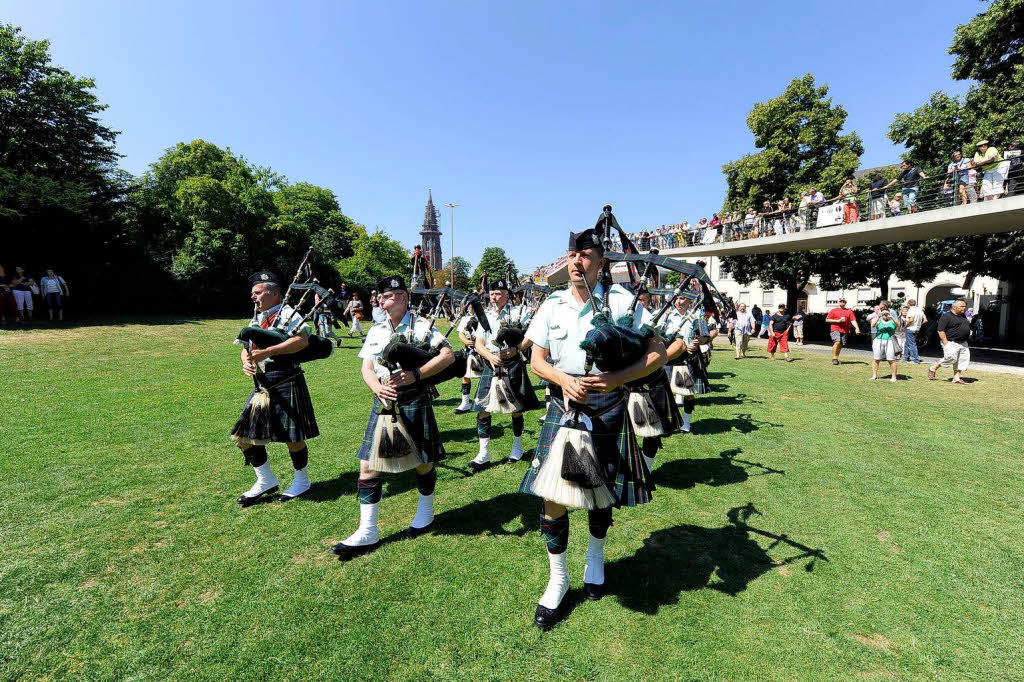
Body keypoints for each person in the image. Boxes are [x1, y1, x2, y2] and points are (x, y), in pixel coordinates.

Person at [519, 227, 666, 629]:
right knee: (553, 495)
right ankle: (558, 578)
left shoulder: (622, 301)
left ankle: (595, 559)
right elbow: (536, 360)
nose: (576, 261)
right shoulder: (553, 303)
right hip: (562, 403)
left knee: (601, 492)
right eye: (572, 255)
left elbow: (661, 350)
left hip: (608, 404)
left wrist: (621, 378)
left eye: (585, 255)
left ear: (602, 263)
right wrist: (562, 380)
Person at [333, 275, 455, 559]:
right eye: (380, 296)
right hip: (384, 402)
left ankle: (425, 513)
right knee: (367, 465)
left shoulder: (422, 327)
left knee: (423, 462)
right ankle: (368, 530)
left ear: (401, 297)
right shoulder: (376, 330)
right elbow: (367, 367)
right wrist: (376, 386)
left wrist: (416, 375)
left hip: (413, 399)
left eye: (386, 296)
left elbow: (448, 355)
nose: (380, 301)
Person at [231, 271, 320, 507]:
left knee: (293, 437)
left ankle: (302, 480)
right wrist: (246, 361)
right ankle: (265, 480)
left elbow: (301, 341)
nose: (254, 297)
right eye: (252, 293)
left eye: (258, 292)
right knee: (243, 437)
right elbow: (246, 346)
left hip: (285, 378)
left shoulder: (289, 313)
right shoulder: (257, 318)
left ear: (275, 293)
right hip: (262, 383)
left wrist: (268, 352)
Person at [468, 278, 540, 472]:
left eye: (498, 293)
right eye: (492, 293)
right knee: (482, 408)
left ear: (507, 295)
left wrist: (516, 349)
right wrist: (489, 356)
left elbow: (531, 337)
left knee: (516, 408)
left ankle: (517, 447)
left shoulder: (519, 312)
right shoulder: (485, 316)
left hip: (513, 363)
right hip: (491, 365)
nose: (494, 296)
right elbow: (479, 344)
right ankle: (484, 454)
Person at [928, 299, 971, 384]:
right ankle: (934, 367)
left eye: (965, 306)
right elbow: (940, 330)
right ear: (954, 307)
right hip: (951, 342)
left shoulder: (963, 316)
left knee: (962, 361)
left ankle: (956, 378)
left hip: (963, 343)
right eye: (962, 306)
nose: (964, 308)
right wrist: (945, 343)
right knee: (950, 358)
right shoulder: (946, 316)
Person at [825, 297, 861, 365]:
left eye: (843, 301)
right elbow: (827, 320)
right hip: (835, 328)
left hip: (845, 330)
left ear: (845, 303)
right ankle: (834, 358)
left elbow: (853, 320)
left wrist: (857, 328)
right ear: (839, 302)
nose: (842, 302)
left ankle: (836, 357)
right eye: (841, 301)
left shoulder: (849, 311)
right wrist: (837, 321)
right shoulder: (834, 310)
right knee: (837, 342)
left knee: (841, 344)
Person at [870, 303, 900, 382]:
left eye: (886, 314)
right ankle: (874, 375)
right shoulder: (878, 320)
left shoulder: (892, 321)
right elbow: (872, 325)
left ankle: (894, 377)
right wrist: (878, 316)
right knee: (876, 358)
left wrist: (892, 317)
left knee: (891, 359)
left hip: (889, 340)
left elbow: (898, 324)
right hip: (878, 340)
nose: (885, 316)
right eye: (884, 314)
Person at [902, 298, 927, 364]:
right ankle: (905, 357)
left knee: (912, 344)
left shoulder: (911, 310)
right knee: (907, 343)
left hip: (910, 328)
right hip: (917, 329)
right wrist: (918, 324)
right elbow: (925, 320)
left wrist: (906, 325)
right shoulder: (919, 310)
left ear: (908, 304)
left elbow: (911, 320)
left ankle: (916, 359)